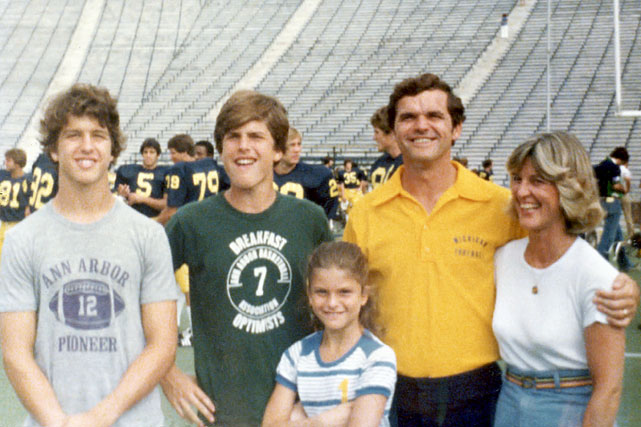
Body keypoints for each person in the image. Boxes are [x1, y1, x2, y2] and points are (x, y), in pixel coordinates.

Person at [343, 73, 639, 426]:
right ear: (393, 130)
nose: (421, 126)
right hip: (394, 391)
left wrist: (622, 288)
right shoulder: (366, 213)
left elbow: (557, 258)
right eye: (408, 117)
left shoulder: (500, 206)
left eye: (434, 116)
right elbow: (349, 300)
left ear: (457, 129)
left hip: (478, 394)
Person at [0, 83, 177, 426]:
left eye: (98, 135)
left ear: (112, 149)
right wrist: (58, 422)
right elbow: (16, 352)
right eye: (72, 135)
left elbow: (162, 345)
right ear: (53, 149)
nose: (86, 146)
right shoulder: (23, 240)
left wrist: (100, 417)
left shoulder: (148, 235)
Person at [162, 90, 332, 426]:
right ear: (221, 149)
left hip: (300, 411)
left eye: (256, 136)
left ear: (278, 150)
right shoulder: (191, 222)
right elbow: (138, 299)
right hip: (223, 412)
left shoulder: (309, 219)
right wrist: (168, 375)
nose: (244, 146)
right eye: (233, 137)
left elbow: (344, 309)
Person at [493, 131, 625, 425]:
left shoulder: (596, 275)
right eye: (517, 178)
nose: (521, 191)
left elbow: (609, 389)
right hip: (509, 404)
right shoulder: (503, 258)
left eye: (537, 181)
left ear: (570, 188)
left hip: (571, 408)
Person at [262, 241, 397, 427]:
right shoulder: (297, 355)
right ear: (309, 295)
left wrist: (297, 420)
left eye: (344, 292)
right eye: (322, 292)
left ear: (364, 295)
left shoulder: (378, 357)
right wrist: (325, 420)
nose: (332, 303)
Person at [273, 127, 339, 219]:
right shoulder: (262, 173)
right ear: (278, 148)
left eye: (299, 144)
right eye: (291, 145)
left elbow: (327, 212)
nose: (297, 149)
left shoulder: (317, 175)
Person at [595, 147, 632, 271]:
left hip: (600, 201)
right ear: (621, 159)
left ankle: (624, 262)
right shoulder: (614, 167)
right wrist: (624, 189)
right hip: (612, 202)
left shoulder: (601, 164)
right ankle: (601, 264)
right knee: (608, 237)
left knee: (618, 235)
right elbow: (616, 186)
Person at [115, 138, 169, 218]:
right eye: (145, 152)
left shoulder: (166, 172)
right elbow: (118, 196)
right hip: (131, 218)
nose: (148, 155)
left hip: (154, 219)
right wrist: (122, 194)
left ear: (158, 155)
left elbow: (166, 204)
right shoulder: (128, 170)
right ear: (142, 154)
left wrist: (141, 199)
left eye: (152, 152)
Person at [0, 148, 31, 261]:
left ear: (17, 163)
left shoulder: (28, 180)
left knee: (17, 260)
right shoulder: (3, 176)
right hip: (4, 224)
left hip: (19, 224)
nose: (5, 163)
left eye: (8, 160)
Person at [368, 106, 403, 191]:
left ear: (392, 134)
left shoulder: (410, 165)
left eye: (377, 132)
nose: (374, 137)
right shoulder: (379, 162)